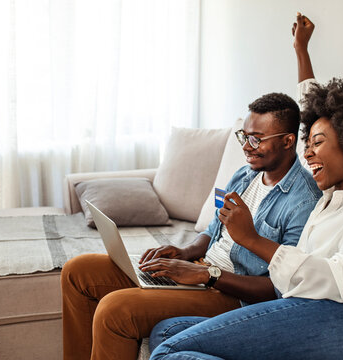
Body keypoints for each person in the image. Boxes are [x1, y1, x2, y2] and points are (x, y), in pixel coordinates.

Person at [148, 12, 343, 360]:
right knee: (164, 330)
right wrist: (301, 49)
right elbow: (309, 100)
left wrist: (252, 239)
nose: (308, 152)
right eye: (307, 143)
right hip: (303, 307)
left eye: (316, 143)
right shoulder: (331, 190)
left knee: (168, 352)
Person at [60, 90, 322, 359]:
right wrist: (186, 253)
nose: (246, 146)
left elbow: (280, 287)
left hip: (232, 294)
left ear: (288, 141)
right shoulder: (245, 175)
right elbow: (212, 231)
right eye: (244, 136)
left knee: (116, 309)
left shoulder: (303, 202)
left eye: (256, 139)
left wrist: (208, 276)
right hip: (201, 272)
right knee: (78, 271)